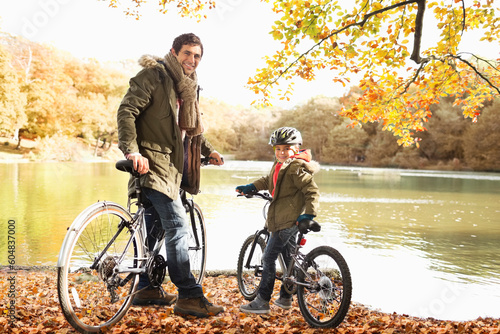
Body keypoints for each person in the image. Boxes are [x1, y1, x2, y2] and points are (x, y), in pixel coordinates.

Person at [117, 33, 224, 317]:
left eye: (197, 55)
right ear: (174, 52)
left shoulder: (188, 88)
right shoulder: (155, 75)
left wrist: (209, 151)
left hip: (173, 170)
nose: (192, 60)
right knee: (178, 227)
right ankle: (189, 296)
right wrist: (132, 151)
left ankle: (147, 288)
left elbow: (187, 132)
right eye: (187, 53)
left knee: (154, 231)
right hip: (152, 166)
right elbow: (126, 111)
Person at [236, 127, 320, 314]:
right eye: (278, 149)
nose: (282, 152)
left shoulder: (296, 168)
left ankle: (262, 301)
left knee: (268, 257)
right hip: (282, 217)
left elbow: (311, 191)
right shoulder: (280, 165)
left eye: (286, 149)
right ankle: (285, 297)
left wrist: (309, 214)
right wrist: (251, 187)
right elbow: (269, 181)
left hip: (287, 220)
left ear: (296, 148)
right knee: (289, 257)